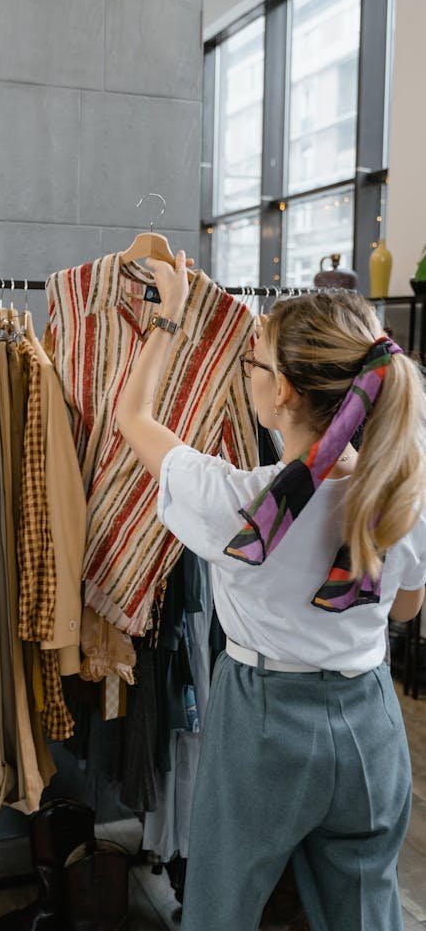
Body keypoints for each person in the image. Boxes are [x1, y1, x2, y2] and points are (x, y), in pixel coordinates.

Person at [115, 250, 426, 931]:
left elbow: (132, 416)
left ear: (282, 392)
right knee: (368, 908)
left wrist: (168, 318)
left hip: (263, 720)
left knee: (222, 907)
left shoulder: (237, 505)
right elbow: (406, 608)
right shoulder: (404, 491)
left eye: (253, 363)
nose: (247, 371)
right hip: (371, 719)